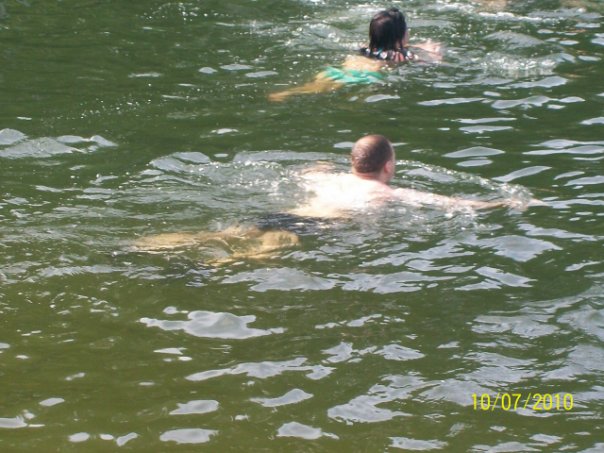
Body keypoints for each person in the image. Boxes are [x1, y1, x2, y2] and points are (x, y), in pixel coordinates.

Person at [133, 135, 538, 260]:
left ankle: (144, 245)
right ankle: (208, 268)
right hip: (314, 227)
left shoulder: (331, 180)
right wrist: (508, 202)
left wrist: (318, 167)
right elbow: (452, 205)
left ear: (352, 162)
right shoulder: (387, 191)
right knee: (254, 253)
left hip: (283, 211)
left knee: (219, 233)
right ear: (388, 166)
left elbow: (302, 173)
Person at [269, 8, 441, 102]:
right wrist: (434, 54)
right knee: (319, 90)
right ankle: (287, 94)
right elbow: (429, 62)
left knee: (312, 86)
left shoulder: (367, 48)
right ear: (400, 35)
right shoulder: (400, 56)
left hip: (340, 70)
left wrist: (418, 46)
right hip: (363, 77)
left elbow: (398, 45)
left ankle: (288, 92)